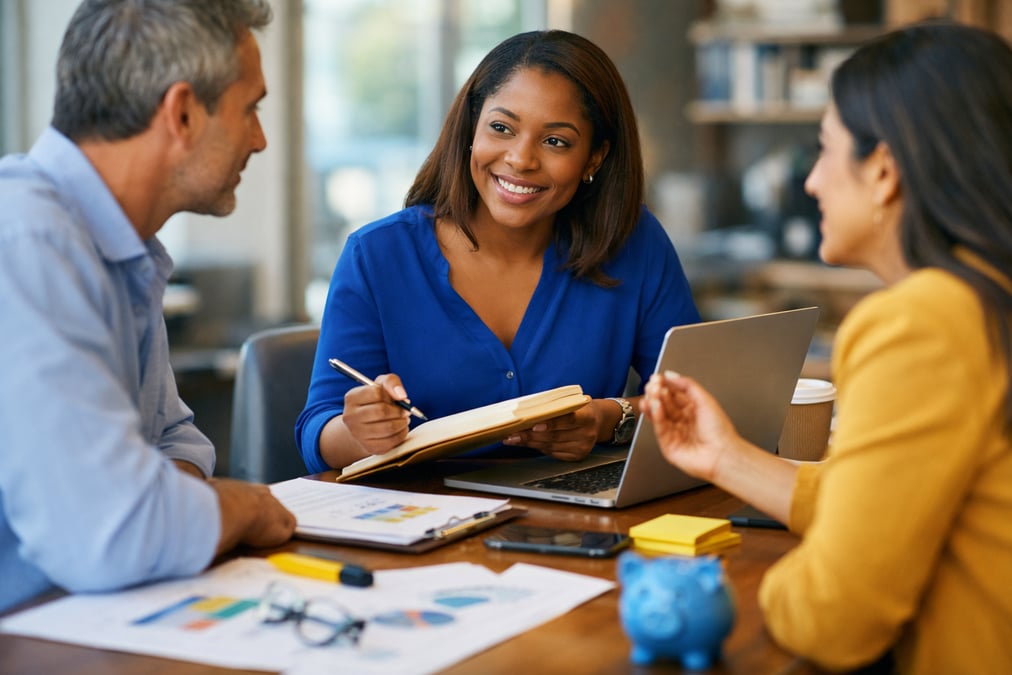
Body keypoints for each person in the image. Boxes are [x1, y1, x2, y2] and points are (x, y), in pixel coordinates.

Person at [642, 21, 1012, 674]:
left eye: (823, 149)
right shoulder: (988, 300)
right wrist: (727, 457)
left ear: (884, 170)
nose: (810, 181)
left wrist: (758, 588)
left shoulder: (921, 320)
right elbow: (889, 498)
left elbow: (834, 614)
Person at [0, 0, 296, 614]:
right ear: (183, 112)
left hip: (88, 617)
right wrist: (241, 505)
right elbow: (113, 531)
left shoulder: (123, 250)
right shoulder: (26, 242)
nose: (261, 139)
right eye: (252, 109)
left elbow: (176, 443)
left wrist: (164, 510)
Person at [297, 30, 700, 472]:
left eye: (556, 141)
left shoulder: (632, 243)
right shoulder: (377, 256)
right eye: (501, 128)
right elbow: (320, 432)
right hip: (423, 523)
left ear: (594, 158)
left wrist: (607, 420)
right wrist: (361, 432)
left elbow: (697, 402)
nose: (521, 159)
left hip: (575, 524)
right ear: (472, 127)